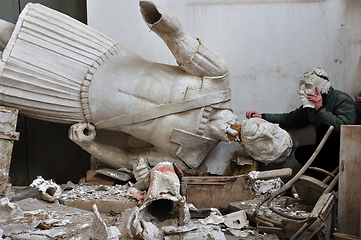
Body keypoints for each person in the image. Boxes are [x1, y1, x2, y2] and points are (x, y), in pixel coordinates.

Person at [0, 2, 239, 170]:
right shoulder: (217, 78)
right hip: (100, 58)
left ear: (246, 150)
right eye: (267, 131)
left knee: (6, 81)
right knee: (15, 36)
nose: (257, 133)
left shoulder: (189, 156)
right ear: (258, 119)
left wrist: (90, 145)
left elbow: (128, 160)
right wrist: (162, 22)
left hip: (74, 102)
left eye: (260, 144)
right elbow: (177, 37)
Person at [246, 67, 359, 180]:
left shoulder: (342, 100)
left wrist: (321, 110)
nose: (303, 91)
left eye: (308, 86)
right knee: (302, 153)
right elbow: (290, 119)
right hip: (324, 148)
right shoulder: (311, 106)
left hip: (345, 150)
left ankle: (334, 185)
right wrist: (262, 117)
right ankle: (323, 184)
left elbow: (345, 128)